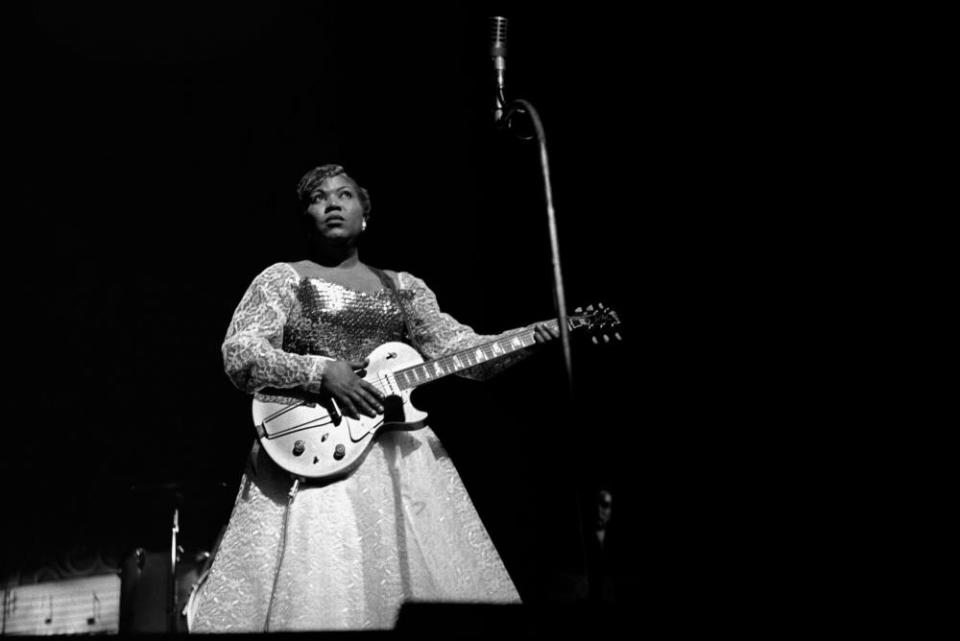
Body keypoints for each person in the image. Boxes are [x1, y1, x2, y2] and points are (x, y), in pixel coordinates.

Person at [187, 164, 558, 632]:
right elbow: (240, 353)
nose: (333, 203)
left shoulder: (403, 288)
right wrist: (321, 373)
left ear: (365, 213)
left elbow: (460, 352)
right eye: (319, 198)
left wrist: (534, 336)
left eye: (344, 194)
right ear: (307, 218)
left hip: (399, 459)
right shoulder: (283, 279)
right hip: (311, 455)